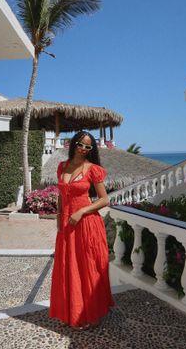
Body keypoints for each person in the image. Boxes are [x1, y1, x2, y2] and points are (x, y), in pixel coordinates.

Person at [49, 130, 114, 330]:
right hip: (67, 226)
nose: (84, 149)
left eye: (88, 146)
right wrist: (60, 218)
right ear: (73, 143)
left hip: (86, 224)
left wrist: (82, 212)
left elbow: (105, 199)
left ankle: (92, 312)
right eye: (81, 144)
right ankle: (73, 312)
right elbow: (61, 196)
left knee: (88, 268)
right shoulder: (62, 167)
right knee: (69, 267)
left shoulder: (92, 169)